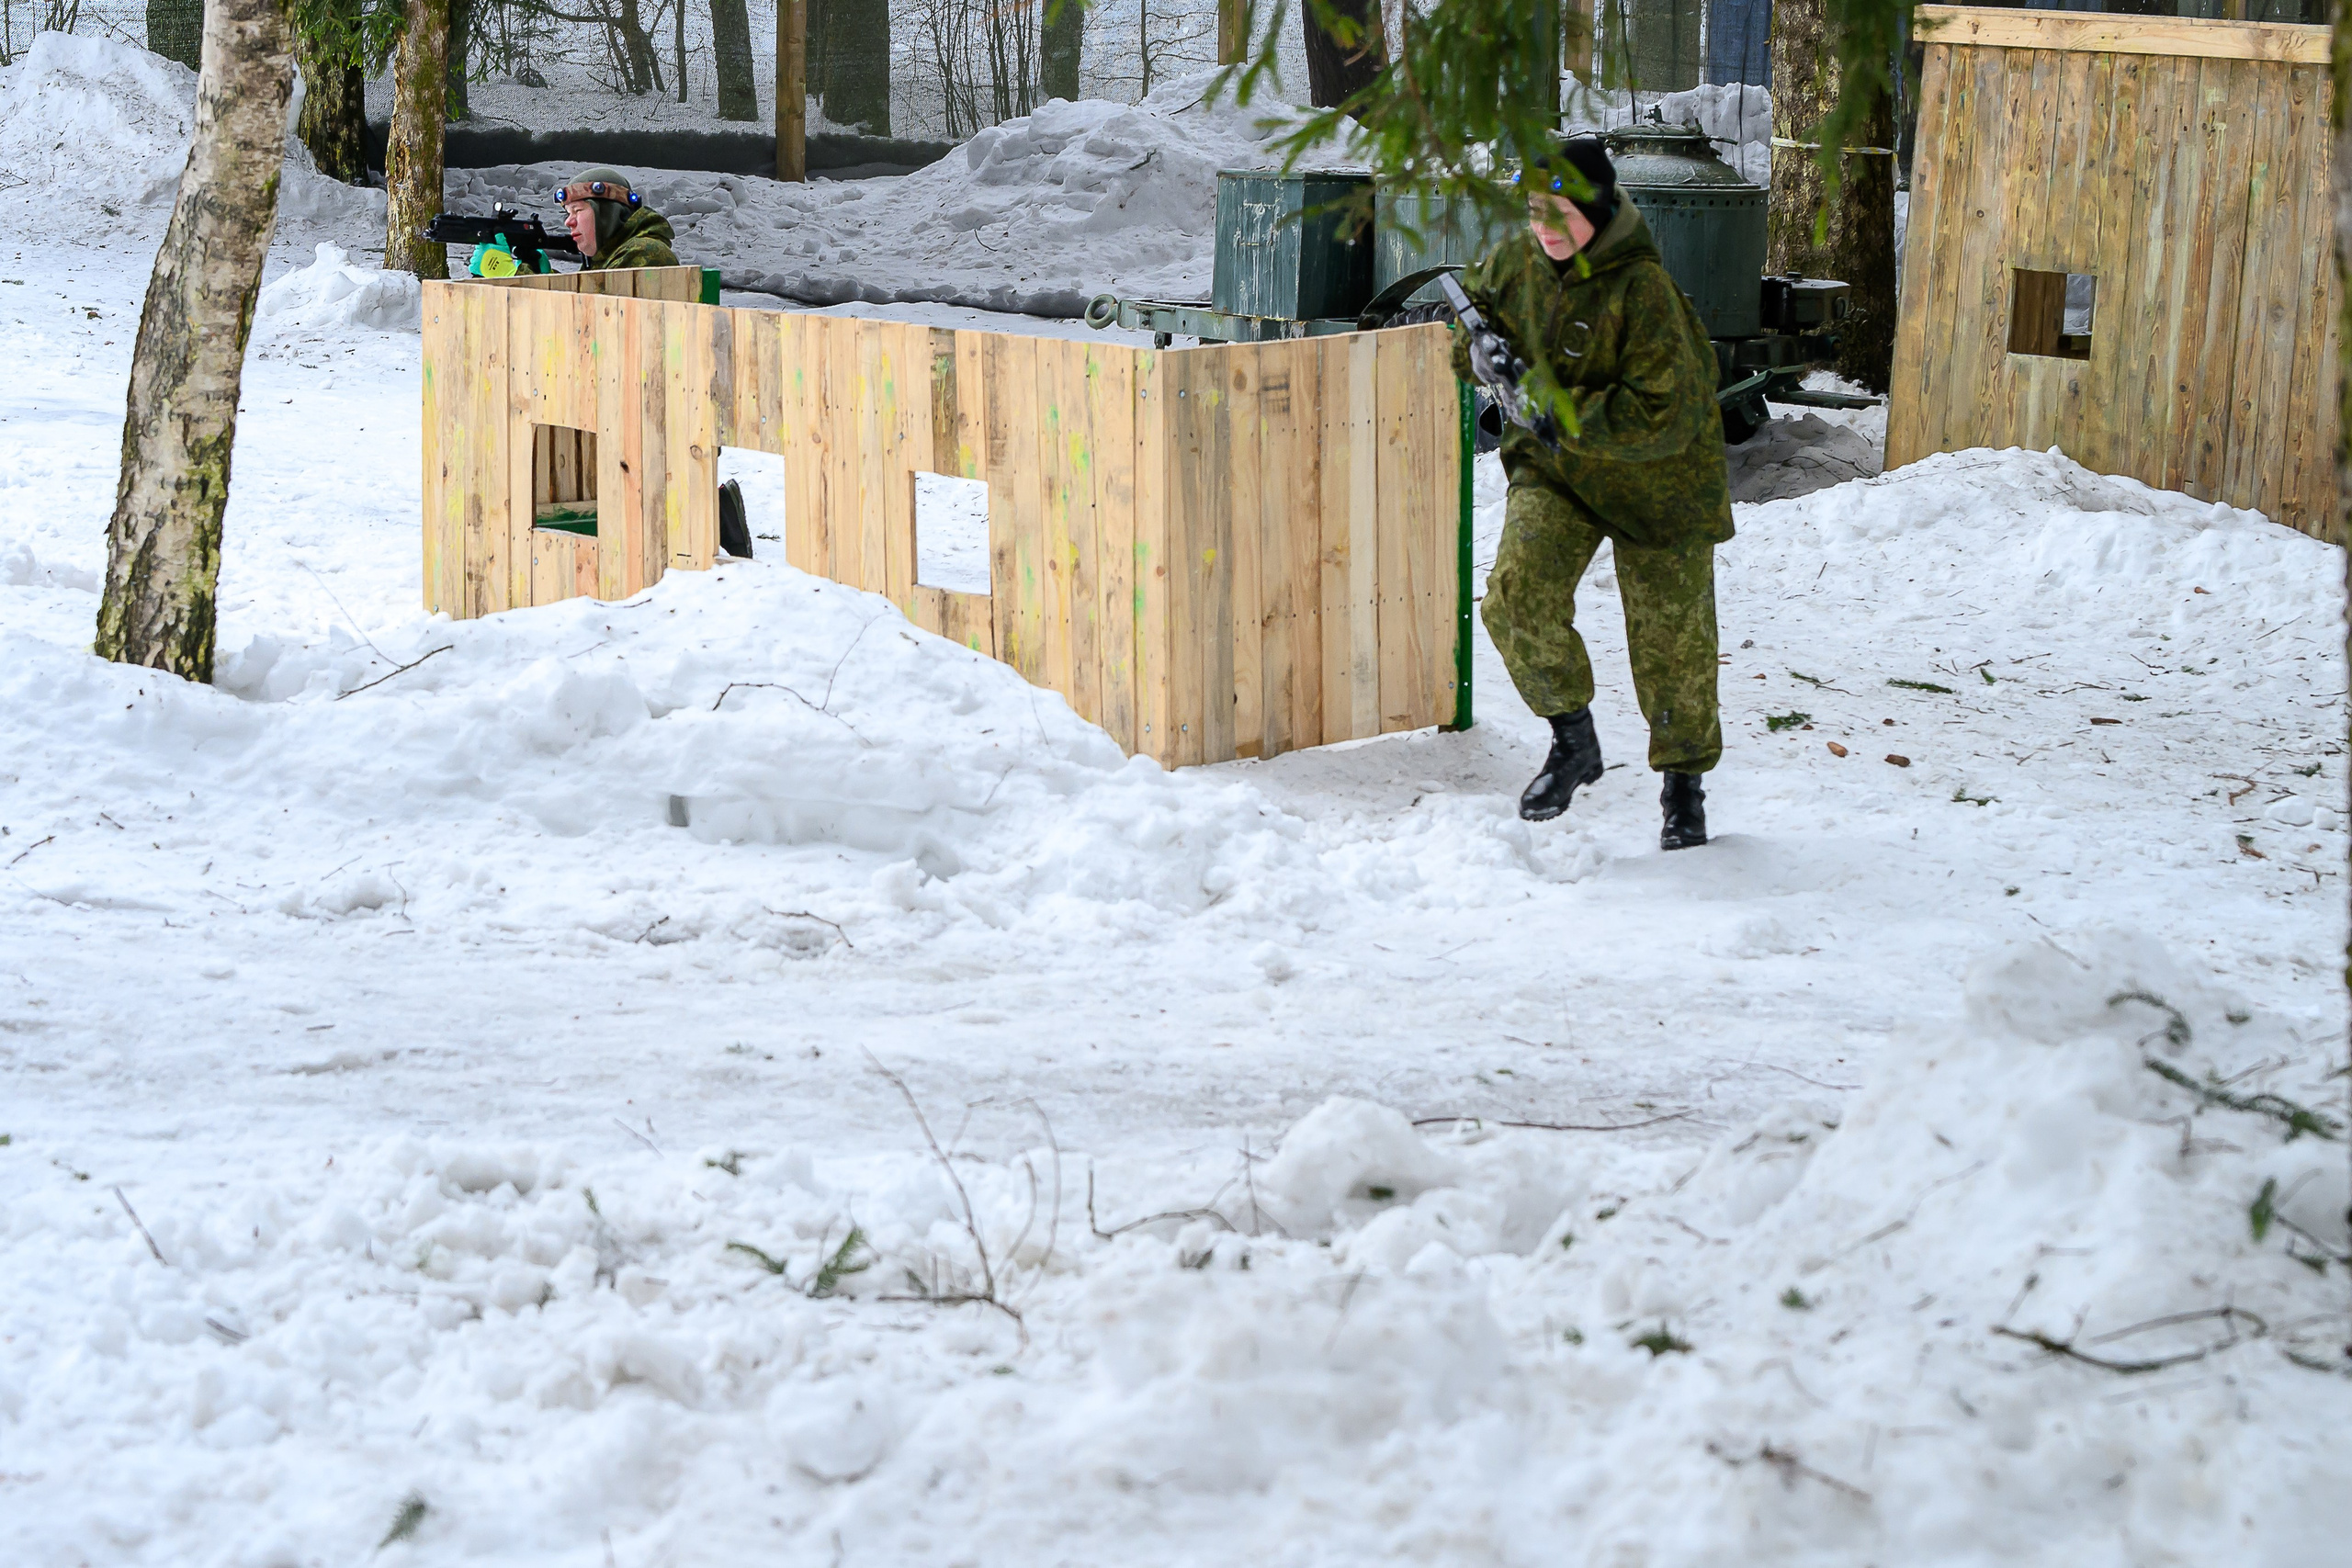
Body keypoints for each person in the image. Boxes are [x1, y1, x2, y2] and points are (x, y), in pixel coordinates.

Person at [1452, 136, 1732, 852]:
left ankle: (1684, 787)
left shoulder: (1646, 293)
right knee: (1515, 599)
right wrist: (1476, 354)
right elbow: (1472, 314)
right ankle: (1573, 741)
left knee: (1673, 647)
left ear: (1600, 211)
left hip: (1661, 484)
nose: (1546, 228)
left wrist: (1560, 411)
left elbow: (1666, 413)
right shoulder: (1517, 261)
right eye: (1535, 210)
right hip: (1560, 473)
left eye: (1564, 214)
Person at [556, 169, 680, 272]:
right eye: (569, 213)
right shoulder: (605, 259)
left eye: (577, 210)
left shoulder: (644, 253)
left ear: (608, 214)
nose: (568, 222)